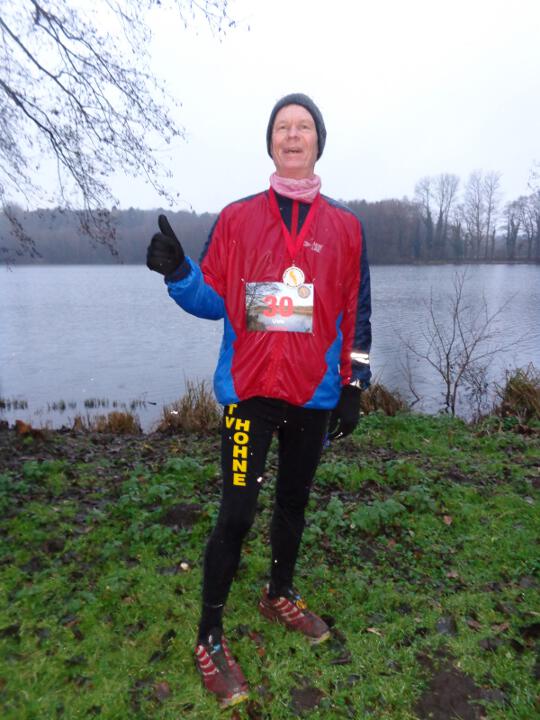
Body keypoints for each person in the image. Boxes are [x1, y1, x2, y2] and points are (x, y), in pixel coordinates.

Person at [146, 93, 372, 708]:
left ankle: (278, 594)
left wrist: (353, 385)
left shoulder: (346, 228)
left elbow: (355, 313)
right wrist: (179, 273)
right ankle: (209, 637)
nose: (292, 135)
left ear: (319, 141)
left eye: (304, 127)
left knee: (293, 504)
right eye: (282, 127)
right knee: (237, 513)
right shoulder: (238, 218)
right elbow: (211, 298)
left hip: (313, 396)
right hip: (249, 394)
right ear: (270, 142)